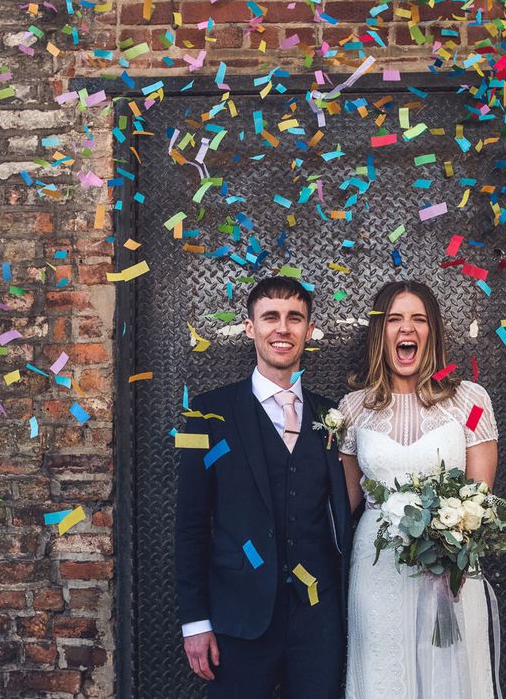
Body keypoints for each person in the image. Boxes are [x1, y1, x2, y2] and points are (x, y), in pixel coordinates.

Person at [174, 277, 353, 698]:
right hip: (238, 618)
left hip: (318, 620)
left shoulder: (333, 415)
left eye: (295, 318)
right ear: (250, 327)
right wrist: (195, 622)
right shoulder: (207, 412)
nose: (282, 328)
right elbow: (191, 524)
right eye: (270, 317)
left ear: (309, 331)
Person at [339, 280, 496, 698]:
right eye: (394, 319)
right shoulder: (353, 408)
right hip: (377, 570)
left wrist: (453, 542)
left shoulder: (471, 400)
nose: (406, 329)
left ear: (432, 332)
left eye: (418, 319)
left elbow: (480, 500)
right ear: (381, 333)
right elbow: (342, 504)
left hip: (447, 577)